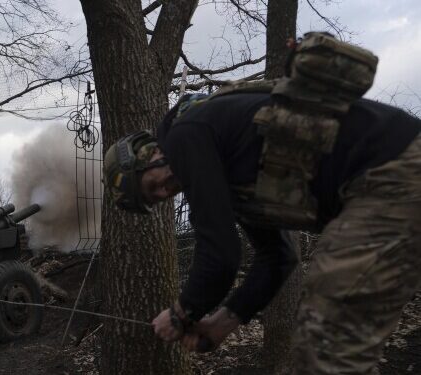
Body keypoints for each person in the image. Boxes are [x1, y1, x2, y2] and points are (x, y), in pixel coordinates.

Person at [103, 35, 421, 374]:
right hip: (394, 175)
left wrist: (182, 313)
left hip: (392, 173)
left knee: (328, 339)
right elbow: (278, 258)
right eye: (157, 199)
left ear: (149, 153)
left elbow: (221, 255)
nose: (166, 192)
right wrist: (223, 322)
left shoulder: (186, 135)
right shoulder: (233, 168)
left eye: (153, 185)